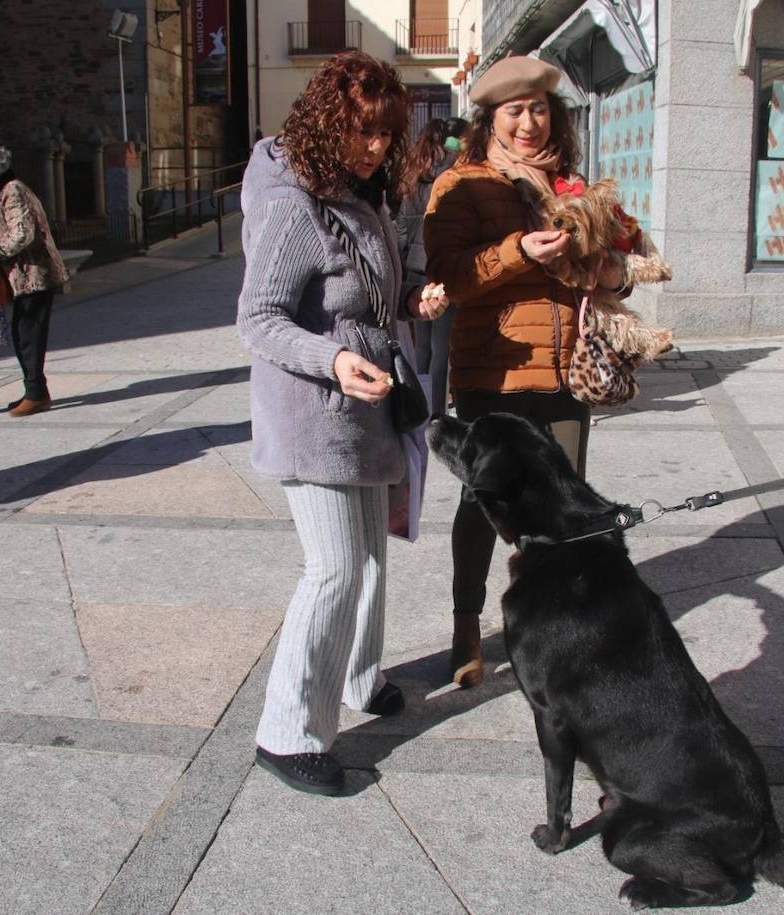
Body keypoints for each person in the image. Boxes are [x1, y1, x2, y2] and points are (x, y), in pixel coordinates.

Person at [237, 51, 448, 796]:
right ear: (329, 120)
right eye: (362, 131)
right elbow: (256, 319)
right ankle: (286, 732)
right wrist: (330, 361)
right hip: (314, 412)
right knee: (334, 567)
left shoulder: (364, 197)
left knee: (370, 557)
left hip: (366, 407)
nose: (376, 147)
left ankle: (359, 676)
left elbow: (365, 292)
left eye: (386, 133)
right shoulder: (296, 203)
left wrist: (411, 297)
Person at [424, 55, 630, 689]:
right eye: (514, 112)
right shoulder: (461, 183)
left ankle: (561, 624)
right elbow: (450, 276)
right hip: (495, 368)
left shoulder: (572, 185)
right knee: (484, 501)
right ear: (491, 119)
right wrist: (518, 251)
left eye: (539, 109)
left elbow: (626, 255)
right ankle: (467, 623)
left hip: (568, 369)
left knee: (567, 503)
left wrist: (611, 271)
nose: (528, 124)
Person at [0, 143, 67, 417]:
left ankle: (36, 394)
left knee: (28, 335)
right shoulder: (2, 192)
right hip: (23, 277)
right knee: (23, 333)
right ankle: (34, 390)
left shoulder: (13, 190)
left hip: (34, 275)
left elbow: (22, 233)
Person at [396, 116, 467, 417]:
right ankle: (438, 413)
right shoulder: (456, 171)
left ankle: (420, 405)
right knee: (443, 347)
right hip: (442, 267)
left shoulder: (414, 172)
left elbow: (400, 225)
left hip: (414, 267)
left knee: (422, 346)